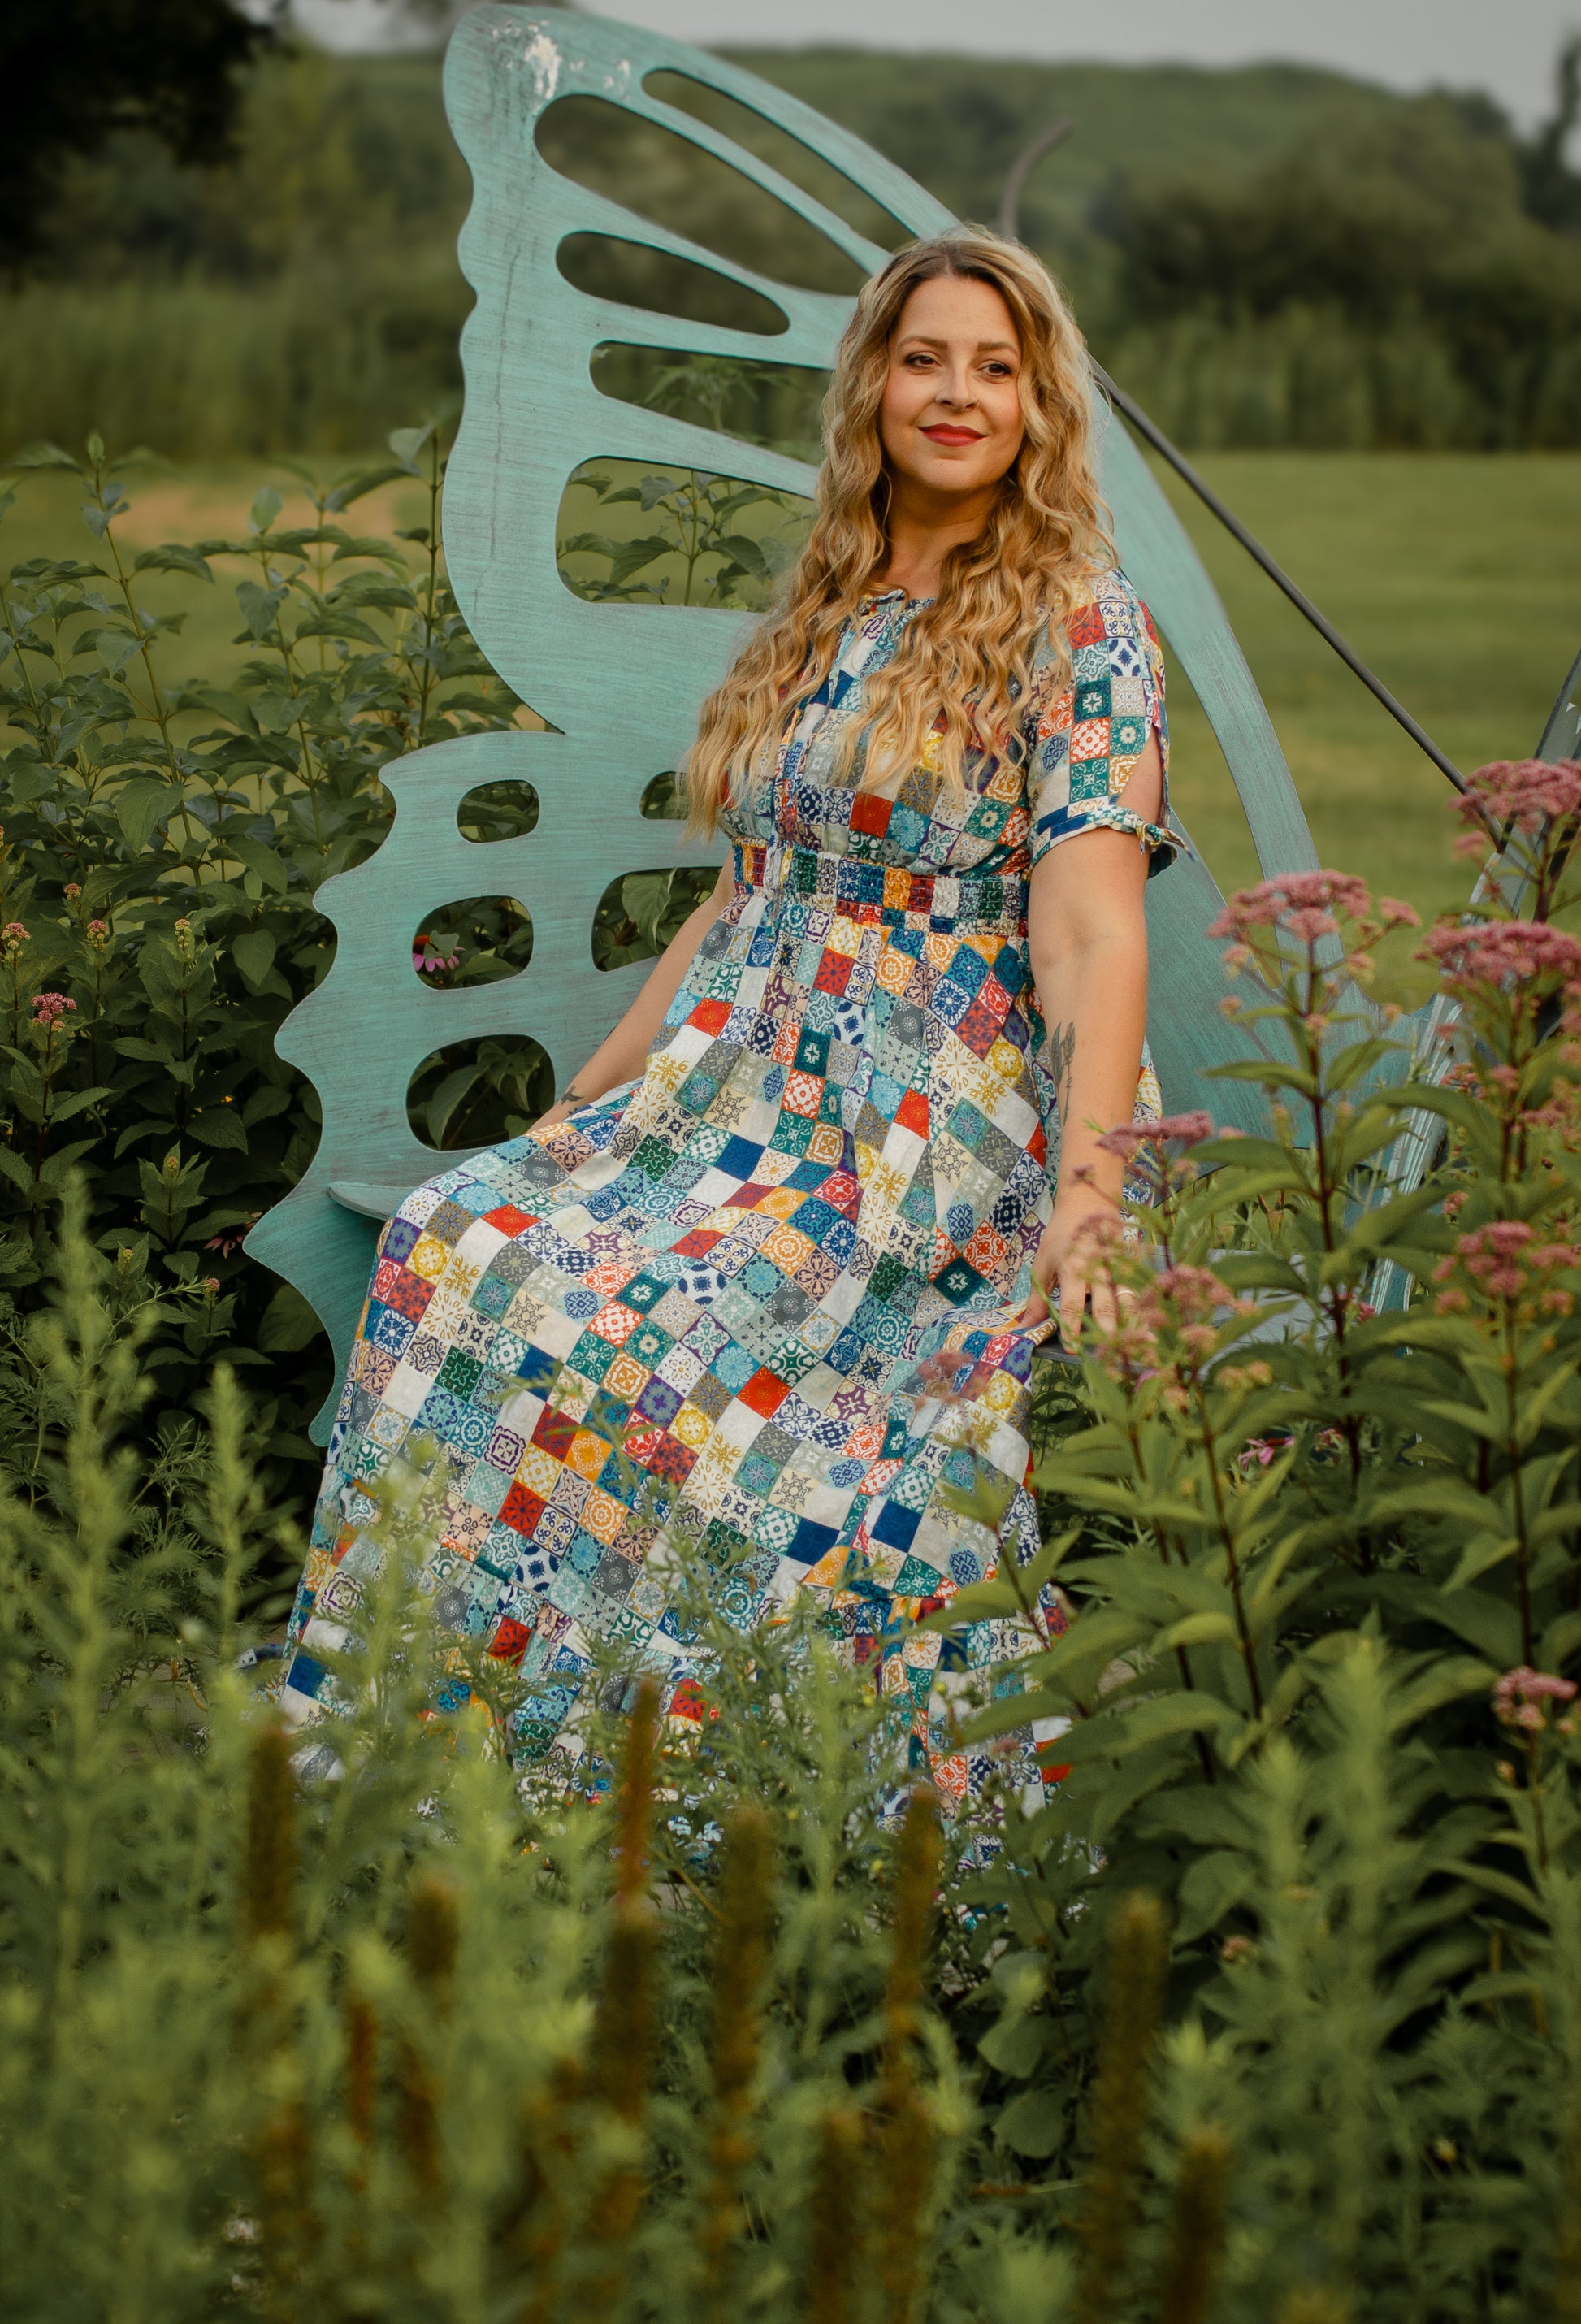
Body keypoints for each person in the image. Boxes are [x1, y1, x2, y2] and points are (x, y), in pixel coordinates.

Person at [276, 228, 1174, 1814]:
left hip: (923, 1145)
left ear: (1039, 404)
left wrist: (1093, 1195)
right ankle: (450, 1748)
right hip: (737, 1108)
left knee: (689, 1359)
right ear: (873, 386)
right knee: (457, 1239)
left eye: (995, 365)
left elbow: (1094, 926)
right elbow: (733, 911)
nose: (955, 393)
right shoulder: (824, 612)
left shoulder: (1076, 627)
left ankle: (734, 1800)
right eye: (924, 358)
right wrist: (579, 1120)